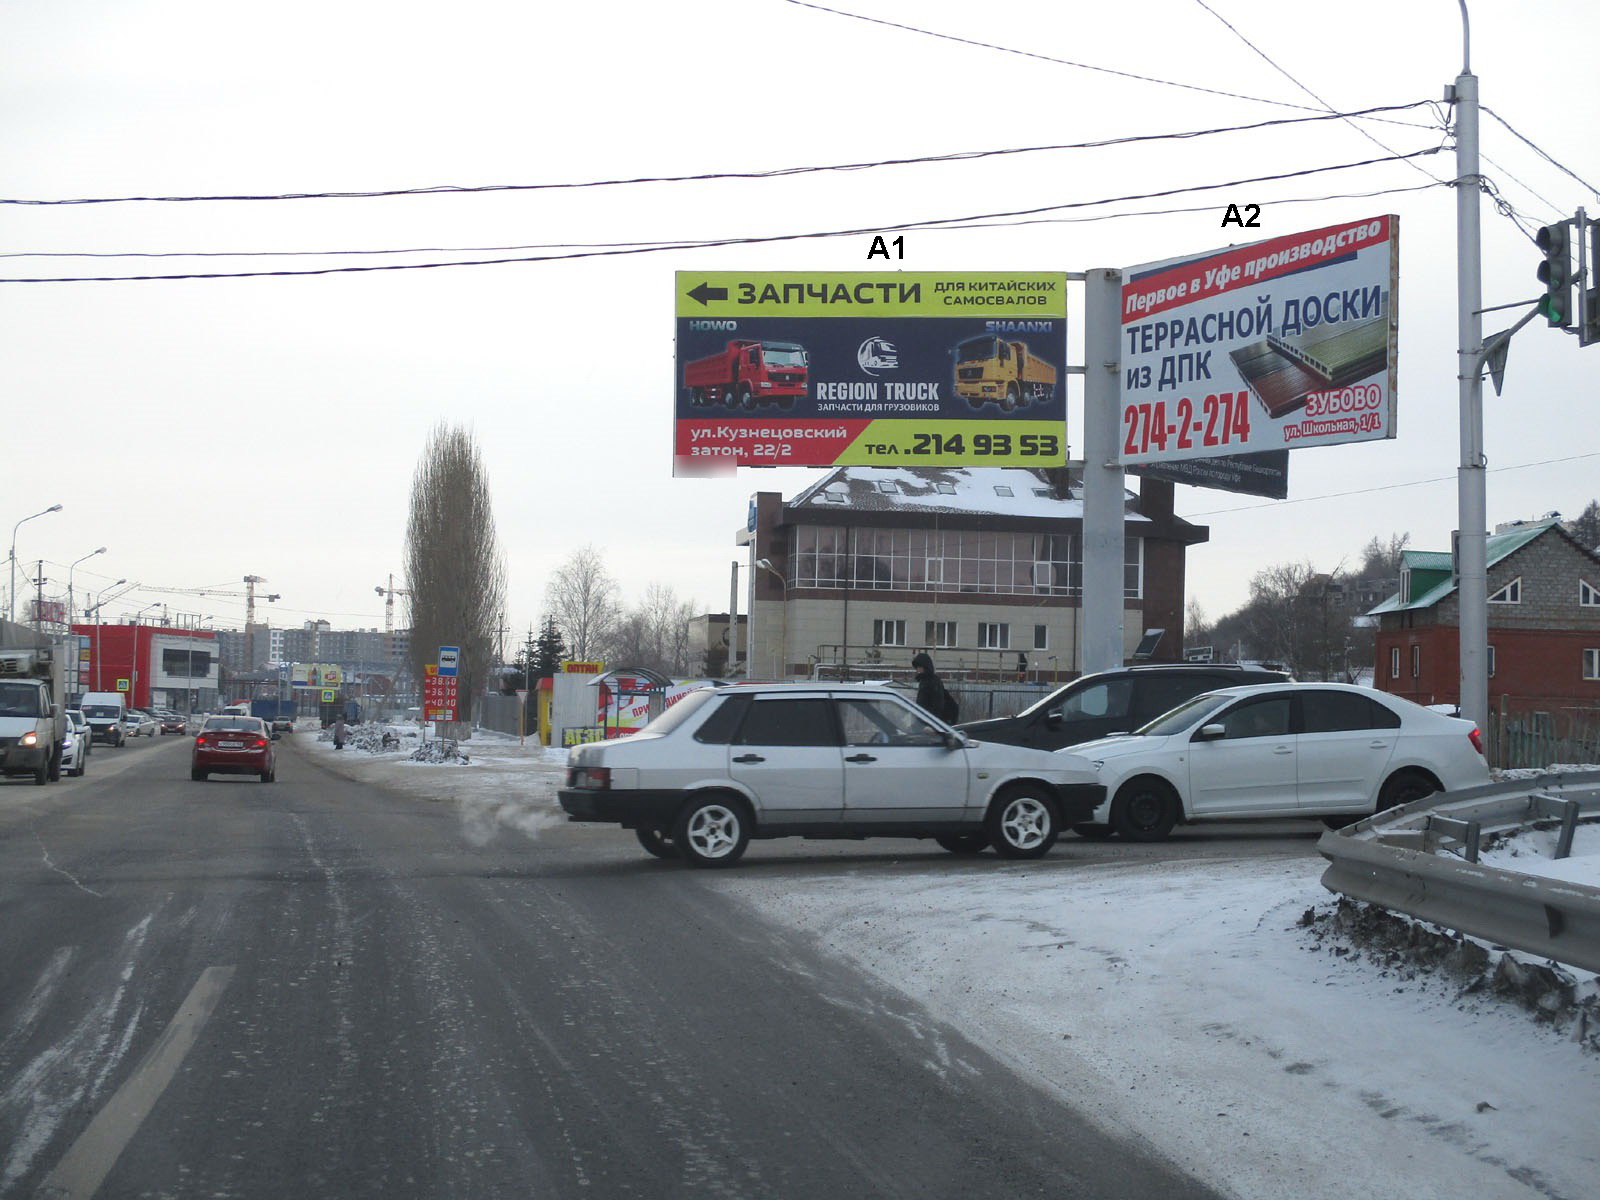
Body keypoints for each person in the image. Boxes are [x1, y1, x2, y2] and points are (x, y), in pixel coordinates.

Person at [912, 652, 954, 722]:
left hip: (930, 722)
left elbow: (938, 706)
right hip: (924, 720)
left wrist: (932, 724)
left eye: (919, 667)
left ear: (925, 667)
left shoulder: (933, 682)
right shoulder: (924, 681)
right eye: (917, 667)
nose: (917, 670)